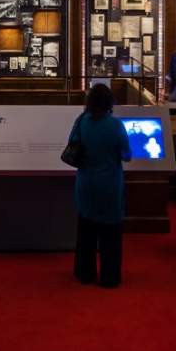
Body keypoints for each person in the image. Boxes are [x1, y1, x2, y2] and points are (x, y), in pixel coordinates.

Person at [69, 83, 132, 288]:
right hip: (109, 185)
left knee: (85, 231)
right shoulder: (115, 125)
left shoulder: (82, 121)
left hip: (86, 183)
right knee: (110, 234)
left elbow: (72, 144)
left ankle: (84, 273)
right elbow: (127, 155)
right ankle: (109, 276)